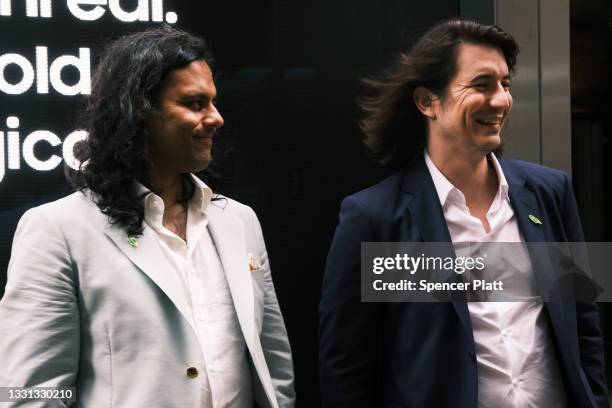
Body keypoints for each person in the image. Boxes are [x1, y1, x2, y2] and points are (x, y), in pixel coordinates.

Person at [319, 19, 608, 408]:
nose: (501, 99)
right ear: (427, 102)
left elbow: (584, 328)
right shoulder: (376, 218)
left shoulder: (549, 193)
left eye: (505, 84)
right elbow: (347, 367)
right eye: (482, 84)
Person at [0, 26, 295, 408]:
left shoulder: (239, 222)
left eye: (213, 102)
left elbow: (274, 367)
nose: (217, 118)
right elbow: (29, 392)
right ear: (138, 111)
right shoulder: (57, 230)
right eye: (195, 103)